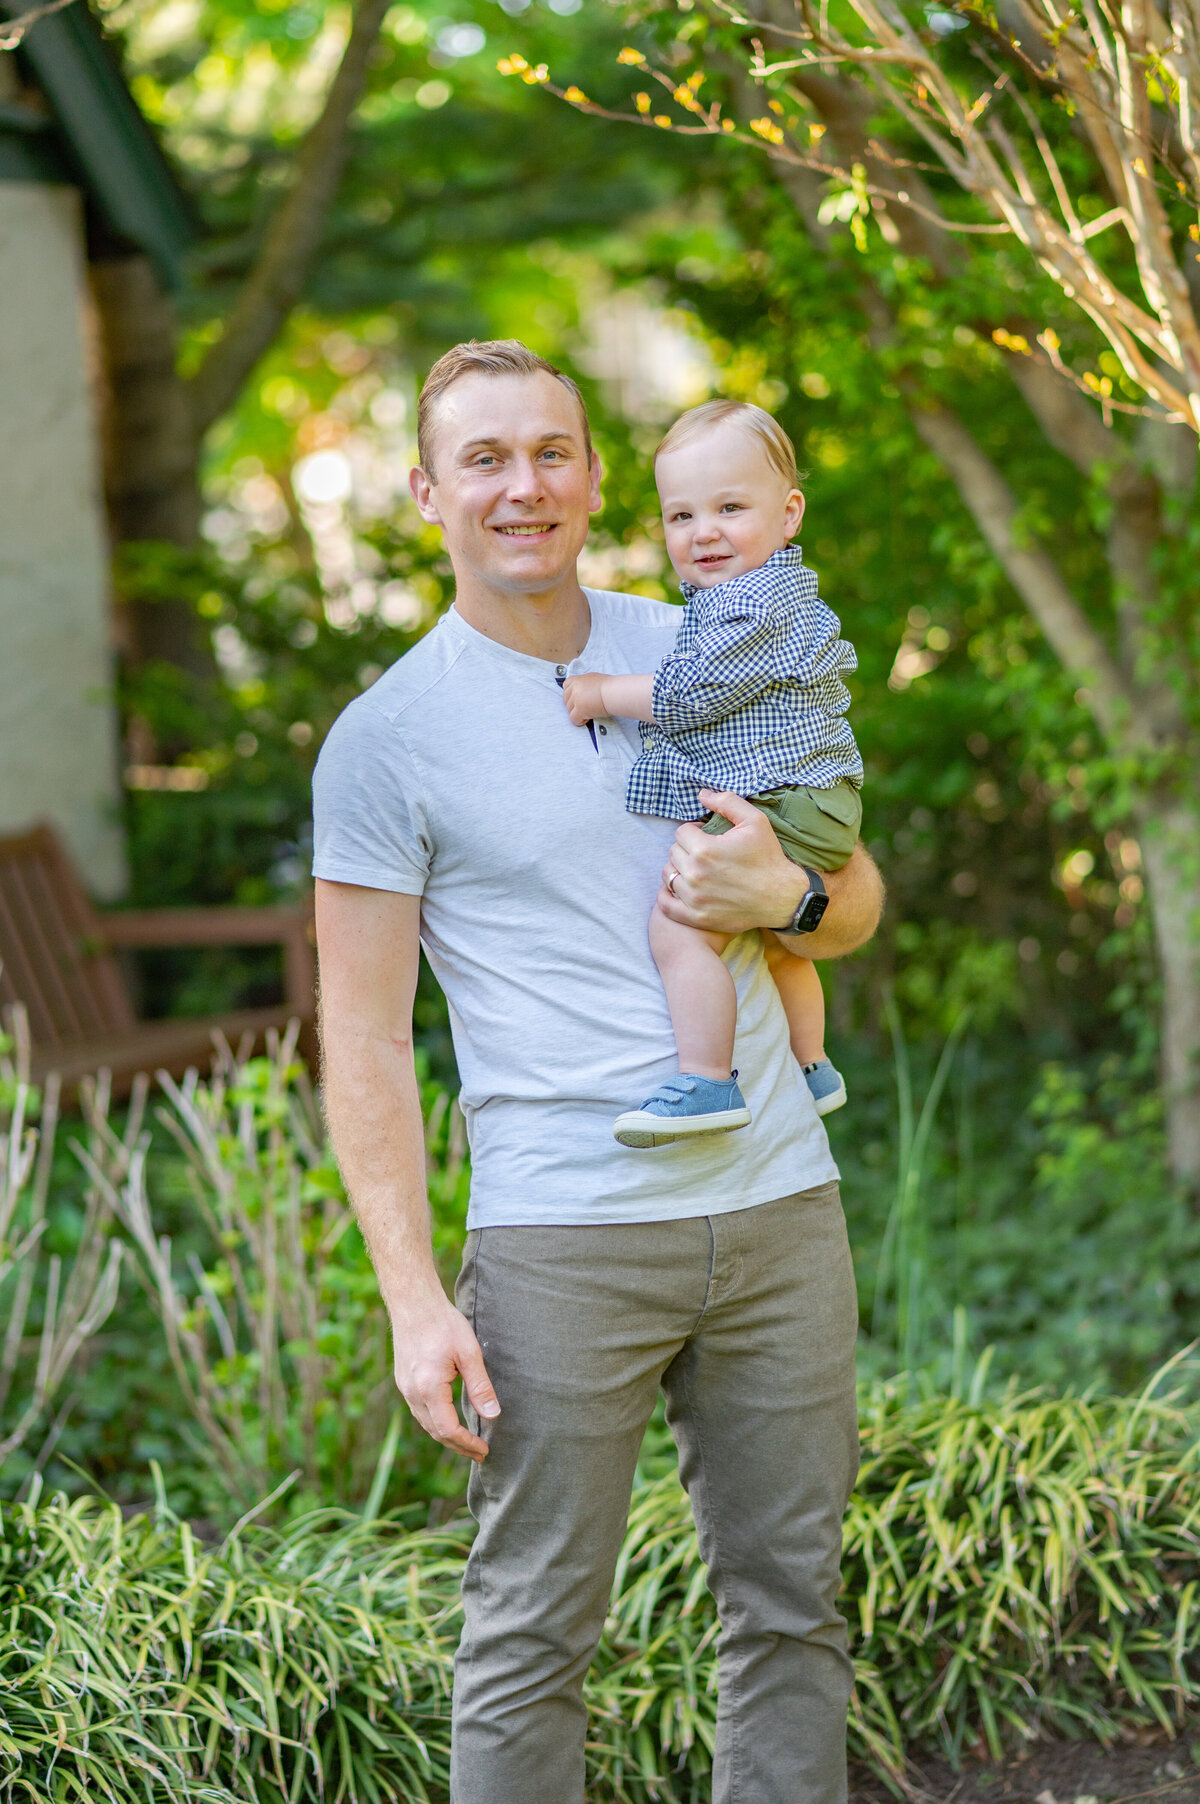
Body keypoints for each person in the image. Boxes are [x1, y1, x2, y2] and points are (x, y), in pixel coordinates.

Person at [312, 339, 884, 1804]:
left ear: (590, 472)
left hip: (779, 1209)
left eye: (552, 452)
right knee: (530, 1637)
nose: (525, 487)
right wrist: (411, 1296)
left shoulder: (708, 632)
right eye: (486, 461)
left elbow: (856, 895)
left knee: (793, 1615)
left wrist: (792, 906)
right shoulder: (389, 740)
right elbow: (363, 1036)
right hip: (561, 1238)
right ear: (430, 492)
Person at [563, 399, 862, 1149]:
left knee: (680, 930)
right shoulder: (767, 594)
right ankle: (814, 1065)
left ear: (789, 513)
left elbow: (689, 697)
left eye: (730, 508)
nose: (703, 533)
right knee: (767, 936)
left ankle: (706, 1078)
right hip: (816, 798)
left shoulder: (749, 606)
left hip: (788, 799)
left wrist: (601, 692)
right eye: (681, 517)